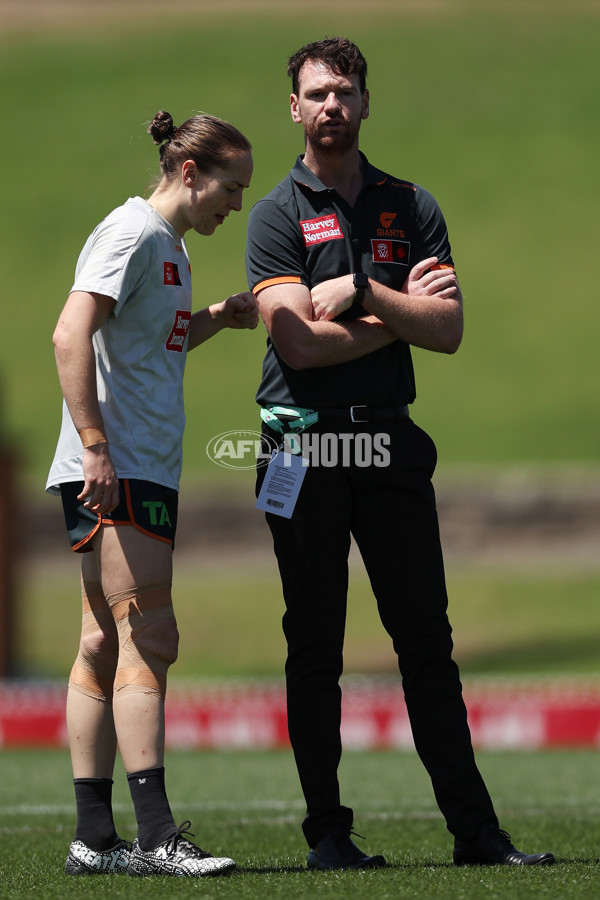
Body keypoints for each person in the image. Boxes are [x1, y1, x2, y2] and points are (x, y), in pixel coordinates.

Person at [245, 37, 555, 871]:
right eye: (316, 93)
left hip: (388, 438)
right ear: (295, 109)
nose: (331, 105)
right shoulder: (274, 214)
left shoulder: (410, 206)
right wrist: (395, 315)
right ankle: (328, 836)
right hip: (298, 446)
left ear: (366, 101)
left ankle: (476, 835)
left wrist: (360, 292)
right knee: (314, 645)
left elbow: (449, 331)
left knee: (427, 642)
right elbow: (299, 350)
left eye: (344, 90)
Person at [46, 109, 257, 877]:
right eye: (230, 189)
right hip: (118, 467)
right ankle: (157, 835)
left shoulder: (168, 247)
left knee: (103, 640)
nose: (234, 206)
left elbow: (142, 344)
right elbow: (71, 334)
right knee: (150, 635)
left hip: (131, 465)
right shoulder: (132, 232)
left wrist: (214, 320)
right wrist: (97, 448)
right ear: (192, 173)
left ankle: (94, 840)